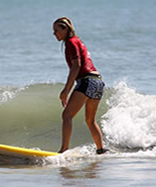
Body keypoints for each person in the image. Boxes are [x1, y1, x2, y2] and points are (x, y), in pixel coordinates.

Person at [53, 17, 107, 154]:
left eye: (56, 30)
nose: (54, 34)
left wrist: (66, 90)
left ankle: (64, 150)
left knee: (67, 115)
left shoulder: (71, 42)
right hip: (98, 81)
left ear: (65, 29)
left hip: (87, 80)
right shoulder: (78, 41)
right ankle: (101, 150)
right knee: (90, 120)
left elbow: (76, 67)